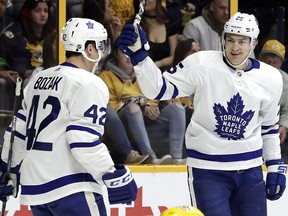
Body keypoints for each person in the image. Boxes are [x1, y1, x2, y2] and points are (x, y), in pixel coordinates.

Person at [117, 12, 287, 215]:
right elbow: (159, 89)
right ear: (222, 39)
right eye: (230, 40)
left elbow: (268, 126)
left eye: (242, 42)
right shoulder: (200, 64)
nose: (235, 47)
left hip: (250, 171)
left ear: (254, 43)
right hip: (208, 171)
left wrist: (275, 165)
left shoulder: (271, 78)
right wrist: (140, 58)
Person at [0, 18, 137, 215]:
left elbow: (17, 133)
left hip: (37, 190)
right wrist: (111, 173)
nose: (103, 52)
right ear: (89, 48)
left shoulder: (38, 79)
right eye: (101, 45)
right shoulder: (89, 83)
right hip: (73, 187)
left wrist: (8, 172)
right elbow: (82, 139)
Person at [99, 42, 184, 164]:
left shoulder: (143, 73)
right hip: (123, 125)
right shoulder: (106, 76)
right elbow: (109, 108)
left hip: (146, 122)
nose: (128, 56)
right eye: (124, 51)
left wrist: (150, 106)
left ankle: (177, 158)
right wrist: (137, 107)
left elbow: (154, 94)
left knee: (177, 108)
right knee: (133, 109)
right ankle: (150, 157)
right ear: (116, 55)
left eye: (131, 51)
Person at [0, 0, 31, 145]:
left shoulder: (12, 26)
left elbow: (21, 54)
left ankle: (16, 141)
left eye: (2, 3)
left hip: (9, 73)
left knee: (24, 82)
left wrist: (18, 72)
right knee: (3, 83)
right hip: (2, 77)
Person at [258, 39, 288, 163]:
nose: (271, 65)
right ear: (260, 59)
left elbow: (287, 109)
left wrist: (284, 126)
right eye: (268, 61)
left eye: (275, 62)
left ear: (281, 63)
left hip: (275, 127)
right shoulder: (250, 75)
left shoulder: (286, 80)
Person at [18, 0, 55, 78]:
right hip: (31, 76)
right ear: (28, 13)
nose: (43, 14)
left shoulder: (53, 35)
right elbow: (19, 64)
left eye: (46, 11)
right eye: (37, 11)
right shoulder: (18, 35)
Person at [171, 38, 200, 128]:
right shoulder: (171, 77)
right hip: (181, 115)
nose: (198, 55)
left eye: (199, 51)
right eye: (193, 52)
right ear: (183, 56)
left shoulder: (204, 77)